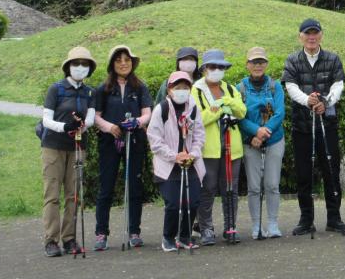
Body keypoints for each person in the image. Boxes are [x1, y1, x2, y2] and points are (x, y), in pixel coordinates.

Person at [282, 18, 345, 235]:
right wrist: (308, 101)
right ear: (300, 36)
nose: (311, 37)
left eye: (315, 33)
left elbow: (338, 85)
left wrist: (325, 102)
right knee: (304, 174)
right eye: (307, 33)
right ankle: (306, 219)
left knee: (331, 171)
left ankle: (334, 218)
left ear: (321, 35)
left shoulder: (332, 59)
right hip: (302, 127)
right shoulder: (292, 60)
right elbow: (291, 87)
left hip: (327, 125)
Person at [93, 45, 152, 251]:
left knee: (135, 186)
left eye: (127, 59)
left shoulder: (140, 87)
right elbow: (96, 116)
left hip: (134, 139)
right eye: (119, 60)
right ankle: (101, 233)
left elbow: (147, 113)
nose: (123, 63)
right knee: (106, 187)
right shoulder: (103, 89)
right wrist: (110, 127)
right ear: (112, 64)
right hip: (110, 142)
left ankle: (134, 231)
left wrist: (136, 121)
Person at [40, 46, 97, 257]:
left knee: (74, 195)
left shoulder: (90, 91)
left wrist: (84, 125)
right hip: (53, 147)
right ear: (68, 67)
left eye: (85, 64)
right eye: (76, 64)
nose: (80, 68)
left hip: (77, 147)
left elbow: (90, 118)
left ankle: (69, 238)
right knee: (52, 195)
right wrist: (65, 127)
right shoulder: (56, 89)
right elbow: (47, 119)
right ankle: (51, 240)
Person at [191, 49, 247, 245]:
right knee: (207, 189)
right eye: (213, 66)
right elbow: (199, 117)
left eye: (221, 67)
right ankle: (206, 229)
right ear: (205, 69)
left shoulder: (231, 89)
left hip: (233, 148)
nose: (217, 70)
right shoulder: (196, 90)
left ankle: (230, 227)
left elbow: (241, 111)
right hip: (209, 149)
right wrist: (220, 110)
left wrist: (224, 102)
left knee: (230, 189)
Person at [147, 71, 206, 252]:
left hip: (191, 163)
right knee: (173, 203)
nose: (182, 91)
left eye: (186, 87)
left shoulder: (194, 107)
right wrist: (175, 156)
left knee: (193, 201)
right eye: (177, 87)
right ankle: (168, 237)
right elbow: (155, 140)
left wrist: (193, 154)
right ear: (169, 90)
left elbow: (199, 135)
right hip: (168, 164)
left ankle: (185, 235)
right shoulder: (162, 109)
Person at [238, 46, 286, 239]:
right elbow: (239, 116)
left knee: (272, 184)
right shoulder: (239, 88)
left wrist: (263, 133)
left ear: (266, 64)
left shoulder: (275, 86)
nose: (257, 66)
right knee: (254, 187)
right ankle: (256, 226)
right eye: (254, 62)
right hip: (251, 142)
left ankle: (273, 224)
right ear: (247, 64)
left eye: (261, 62)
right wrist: (254, 132)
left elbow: (280, 113)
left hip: (274, 140)